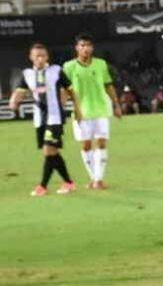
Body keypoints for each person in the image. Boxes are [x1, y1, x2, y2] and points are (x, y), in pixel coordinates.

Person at [10, 43, 77, 196]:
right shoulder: (27, 74)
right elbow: (20, 92)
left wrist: (76, 109)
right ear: (31, 57)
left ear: (47, 57)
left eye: (43, 56)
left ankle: (43, 186)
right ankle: (68, 183)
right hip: (40, 119)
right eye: (37, 56)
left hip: (55, 117)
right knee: (52, 152)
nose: (40, 59)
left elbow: (70, 90)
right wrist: (14, 101)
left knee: (48, 149)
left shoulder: (56, 70)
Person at [60, 34, 120, 190]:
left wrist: (116, 104)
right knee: (86, 145)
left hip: (101, 109)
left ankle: (98, 180)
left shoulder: (101, 64)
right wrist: (61, 107)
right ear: (77, 48)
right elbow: (65, 89)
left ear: (92, 48)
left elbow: (108, 85)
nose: (85, 48)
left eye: (88, 45)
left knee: (101, 143)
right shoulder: (68, 66)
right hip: (81, 112)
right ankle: (94, 178)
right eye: (82, 45)